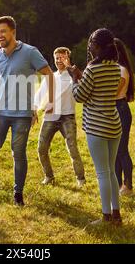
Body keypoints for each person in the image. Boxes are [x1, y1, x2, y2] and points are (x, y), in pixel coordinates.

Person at [0, 16, 54, 206]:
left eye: (3, 31)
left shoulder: (30, 52)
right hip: (0, 112)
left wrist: (48, 102)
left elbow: (49, 74)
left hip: (22, 115)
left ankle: (18, 194)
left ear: (13, 32)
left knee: (18, 153)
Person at [67, 28, 123, 225]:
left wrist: (74, 78)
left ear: (97, 46)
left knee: (102, 173)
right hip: (114, 124)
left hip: (97, 127)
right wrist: (81, 76)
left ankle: (106, 217)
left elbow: (80, 95)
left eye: (91, 43)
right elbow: (99, 90)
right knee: (111, 172)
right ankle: (117, 214)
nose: (89, 46)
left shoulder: (93, 69)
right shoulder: (116, 67)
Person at [35, 47, 86, 187]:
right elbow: (40, 94)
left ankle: (80, 179)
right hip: (50, 116)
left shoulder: (74, 75)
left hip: (67, 117)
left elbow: (83, 86)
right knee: (41, 148)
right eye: (57, 58)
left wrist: (71, 69)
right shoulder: (51, 76)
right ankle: (49, 176)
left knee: (72, 148)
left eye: (62, 58)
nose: (59, 61)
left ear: (68, 58)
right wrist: (34, 110)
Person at [114, 38, 135, 196]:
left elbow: (113, 92)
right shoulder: (115, 68)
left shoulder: (121, 70)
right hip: (113, 109)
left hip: (120, 109)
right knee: (115, 151)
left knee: (121, 150)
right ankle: (118, 184)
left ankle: (128, 186)